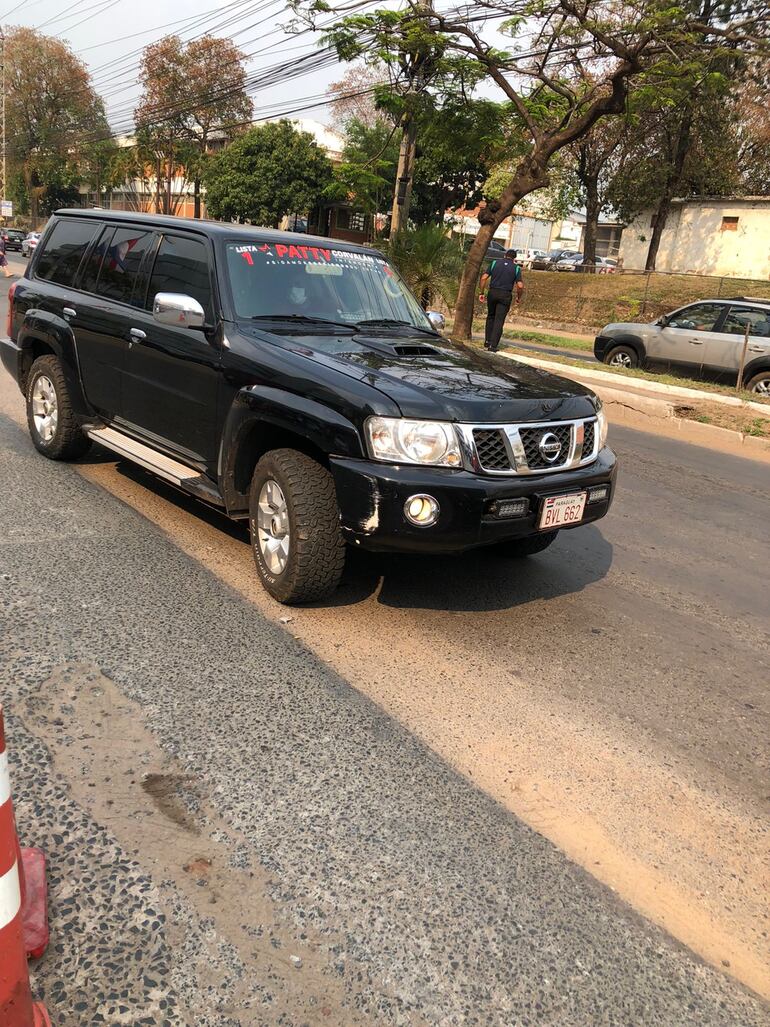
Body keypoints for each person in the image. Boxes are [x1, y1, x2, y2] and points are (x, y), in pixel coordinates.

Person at [479, 248, 523, 351]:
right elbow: (520, 286)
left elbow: (483, 278)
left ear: (504, 255)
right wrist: (518, 297)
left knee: (490, 316)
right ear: (514, 259)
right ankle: (493, 346)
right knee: (499, 320)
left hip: (493, 292)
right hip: (505, 295)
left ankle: (487, 341)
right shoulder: (516, 268)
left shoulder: (494, 263)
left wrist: (481, 292)